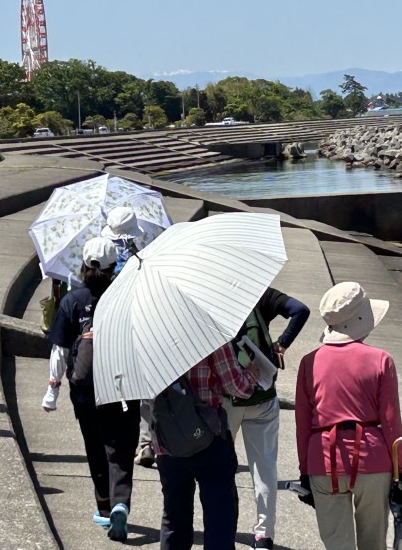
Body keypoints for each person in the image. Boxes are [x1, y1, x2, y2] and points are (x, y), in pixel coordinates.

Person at [294, 282, 402, 550]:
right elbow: (392, 424)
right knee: (374, 544)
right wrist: (401, 473)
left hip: (323, 459)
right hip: (372, 460)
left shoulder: (309, 362)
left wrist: (304, 471)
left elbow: (302, 425)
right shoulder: (381, 360)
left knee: (337, 544)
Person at [42, 237, 140, 542]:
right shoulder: (126, 295)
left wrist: (53, 389)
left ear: (83, 264)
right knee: (121, 446)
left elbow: (60, 350)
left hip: (85, 390)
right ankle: (121, 502)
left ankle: (104, 506)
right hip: (122, 385)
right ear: (114, 266)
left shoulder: (72, 300)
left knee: (95, 446)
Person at [223, 287, 310, 550]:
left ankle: (224, 528)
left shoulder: (214, 295)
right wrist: (281, 343)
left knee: (221, 468)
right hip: (262, 395)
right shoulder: (259, 291)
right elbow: (300, 310)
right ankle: (264, 536)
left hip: (227, 399)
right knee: (265, 469)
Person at [154, 343, 257, 550]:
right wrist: (252, 374)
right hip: (209, 436)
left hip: (168, 439)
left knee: (174, 518)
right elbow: (236, 387)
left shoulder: (147, 341)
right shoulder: (209, 336)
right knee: (220, 516)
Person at [101, 206, 157, 468]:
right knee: (147, 389)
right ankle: (146, 443)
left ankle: (121, 440)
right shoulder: (143, 255)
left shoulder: (105, 260)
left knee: (119, 386)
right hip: (145, 323)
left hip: (115, 328)